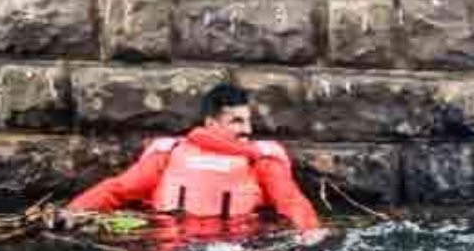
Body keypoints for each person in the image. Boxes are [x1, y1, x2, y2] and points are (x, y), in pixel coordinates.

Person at [61, 82, 322, 233]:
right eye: (237, 121)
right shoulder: (170, 153)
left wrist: (309, 230)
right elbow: (117, 189)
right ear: (210, 123)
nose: (248, 130)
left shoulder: (260, 160)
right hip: (171, 248)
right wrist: (72, 212)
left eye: (248, 121)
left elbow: (290, 200)